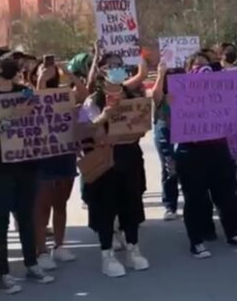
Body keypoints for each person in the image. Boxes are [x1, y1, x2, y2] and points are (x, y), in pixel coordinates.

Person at [173, 53, 237, 259]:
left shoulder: (221, 92)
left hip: (218, 150)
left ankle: (232, 233)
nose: (202, 70)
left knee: (226, 196)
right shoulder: (181, 91)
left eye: (205, 65)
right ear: (188, 69)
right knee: (195, 199)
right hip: (191, 153)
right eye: (197, 66)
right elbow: (171, 120)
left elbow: (236, 115)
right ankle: (196, 241)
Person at [79, 53, 150, 277]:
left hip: (129, 156)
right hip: (105, 161)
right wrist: (103, 118)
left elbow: (141, 124)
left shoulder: (131, 95)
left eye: (119, 66)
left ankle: (133, 247)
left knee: (131, 202)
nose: (117, 69)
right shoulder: (94, 100)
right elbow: (85, 130)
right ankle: (107, 254)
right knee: (105, 207)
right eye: (111, 66)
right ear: (101, 71)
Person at [0, 55, 55, 294]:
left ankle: (31, 263)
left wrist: (41, 84)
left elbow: (42, 111)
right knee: (0, 222)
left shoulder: (24, 91)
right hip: (0, 168)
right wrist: (12, 117)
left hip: (26, 164)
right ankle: (4, 273)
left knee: (26, 218)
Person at [33, 60, 88, 271]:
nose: (47, 71)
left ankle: (59, 245)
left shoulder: (65, 94)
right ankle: (41, 250)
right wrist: (40, 81)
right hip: (42, 156)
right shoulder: (28, 93)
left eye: (50, 70)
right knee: (42, 207)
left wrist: (69, 74)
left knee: (60, 203)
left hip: (64, 154)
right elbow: (38, 106)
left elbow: (83, 94)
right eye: (41, 69)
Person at [149, 61, 179, 221]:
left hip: (184, 133)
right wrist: (161, 73)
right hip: (165, 132)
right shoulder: (163, 95)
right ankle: (170, 206)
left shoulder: (188, 91)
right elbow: (155, 94)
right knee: (169, 168)